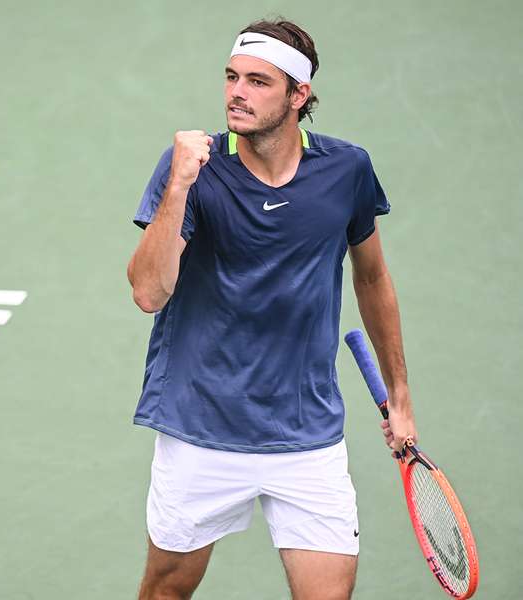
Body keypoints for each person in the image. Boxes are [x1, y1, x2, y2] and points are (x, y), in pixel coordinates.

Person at [126, 18, 418, 600]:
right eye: (232, 77)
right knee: (167, 590)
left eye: (259, 82)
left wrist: (401, 398)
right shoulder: (194, 168)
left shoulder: (346, 170)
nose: (238, 92)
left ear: (298, 96)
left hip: (306, 433)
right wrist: (180, 185)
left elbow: (373, 276)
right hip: (200, 425)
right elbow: (148, 292)